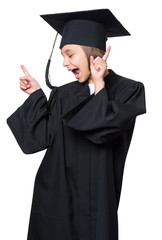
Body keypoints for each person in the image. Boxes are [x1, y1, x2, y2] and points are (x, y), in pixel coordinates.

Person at [7, 9, 146, 240]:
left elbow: (104, 132)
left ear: (93, 53)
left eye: (70, 54)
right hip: (54, 199)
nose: (64, 63)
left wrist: (100, 85)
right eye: (63, 55)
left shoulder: (129, 90)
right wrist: (36, 96)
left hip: (97, 201)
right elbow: (37, 140)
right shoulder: (62, 94)